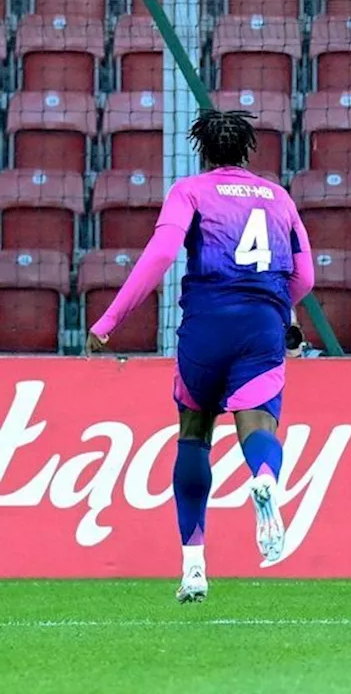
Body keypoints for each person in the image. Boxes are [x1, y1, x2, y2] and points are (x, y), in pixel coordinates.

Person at [86, 109, 315, 604]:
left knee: (194, 435)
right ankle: (266, 479)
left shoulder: (190, 190)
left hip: (206, 324)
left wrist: (109, 322)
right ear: (246, 151)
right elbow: (306, 277)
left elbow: (162, 254)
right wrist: (280, 310)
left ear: (205, 151)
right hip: (261, 327)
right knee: (259, 427)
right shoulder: (278, 197)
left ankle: (193, 568)